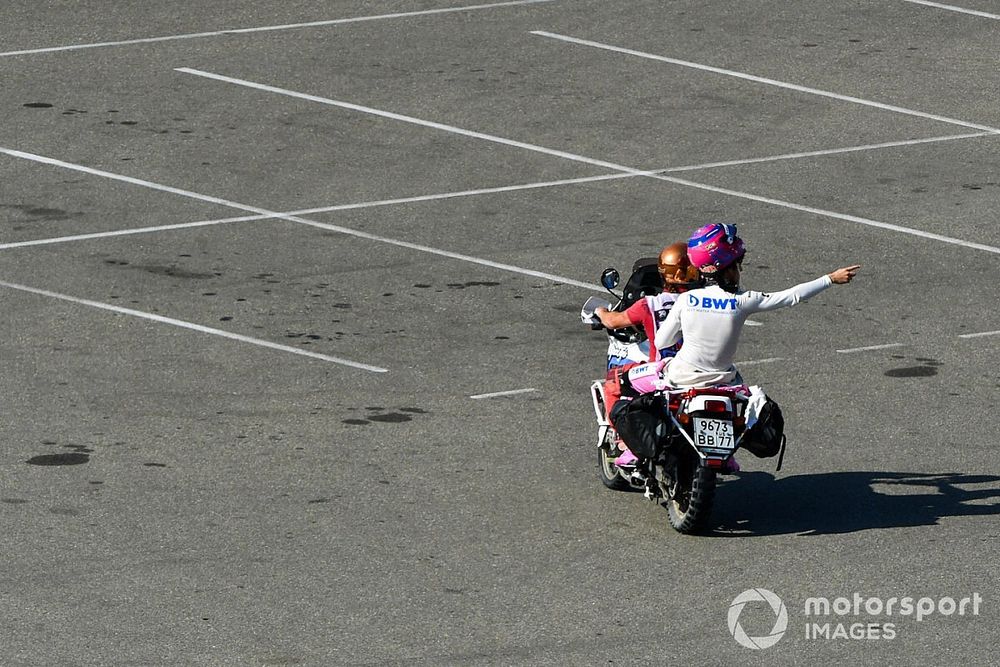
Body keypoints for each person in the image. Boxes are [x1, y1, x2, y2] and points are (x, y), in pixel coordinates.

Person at [653, 223, 860, 387]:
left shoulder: (686, 300)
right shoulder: (744, 300)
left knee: (635, 384)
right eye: (737, 265)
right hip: (724, 380)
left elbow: (661, 343)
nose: (739, 271)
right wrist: (830, 278)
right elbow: (792, 296)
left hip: (682, 377)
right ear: (727, 268)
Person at [593, 243, 700, 469]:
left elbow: (612, 321)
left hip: (663, 372)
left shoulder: (649, 304)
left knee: (613, 383)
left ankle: (626, 443)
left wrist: (600, 311)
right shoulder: (705, 301)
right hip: (701, 370)